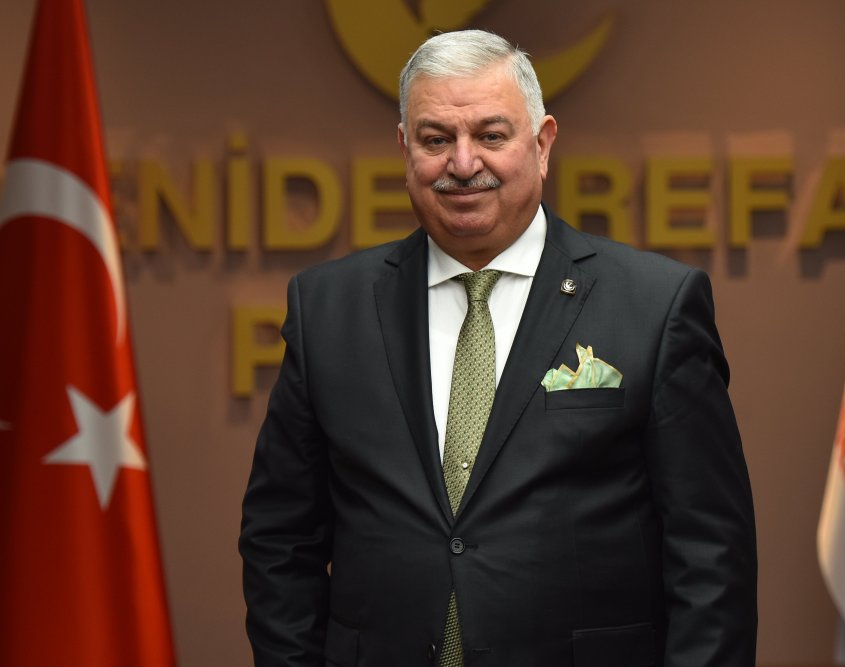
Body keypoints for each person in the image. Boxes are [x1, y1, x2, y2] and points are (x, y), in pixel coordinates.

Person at [239, 29, 756, 667]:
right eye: (436, 140)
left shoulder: (655, 305)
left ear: (541, 144)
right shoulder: (326, 308)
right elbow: (280, 538)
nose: (463, 164)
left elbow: (711, 553)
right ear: (404, 150)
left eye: (490, 135)